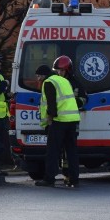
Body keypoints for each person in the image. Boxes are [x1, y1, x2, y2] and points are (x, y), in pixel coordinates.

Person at [35, 60, 81, 188]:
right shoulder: (63, 80)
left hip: (59, 120)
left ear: (44, 75)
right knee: (71, 151)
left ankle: (49, 179)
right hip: (73, 119)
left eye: (39, 76)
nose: (38, 79)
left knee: (52, 151)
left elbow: (51, 103)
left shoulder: (49, 82)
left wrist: (50, 118)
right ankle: (74, 179)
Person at [53, 55, 87, 184]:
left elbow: (84, 99)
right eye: (57, 71)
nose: (59, 73)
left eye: (61, 71)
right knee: (60, 151)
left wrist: (72, 103)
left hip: (71, 122)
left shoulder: (75, 83)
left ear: (68, 70)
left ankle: (70, 176)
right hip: (58, 120)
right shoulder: (54, 82)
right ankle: (65, 174)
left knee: (70, 151)